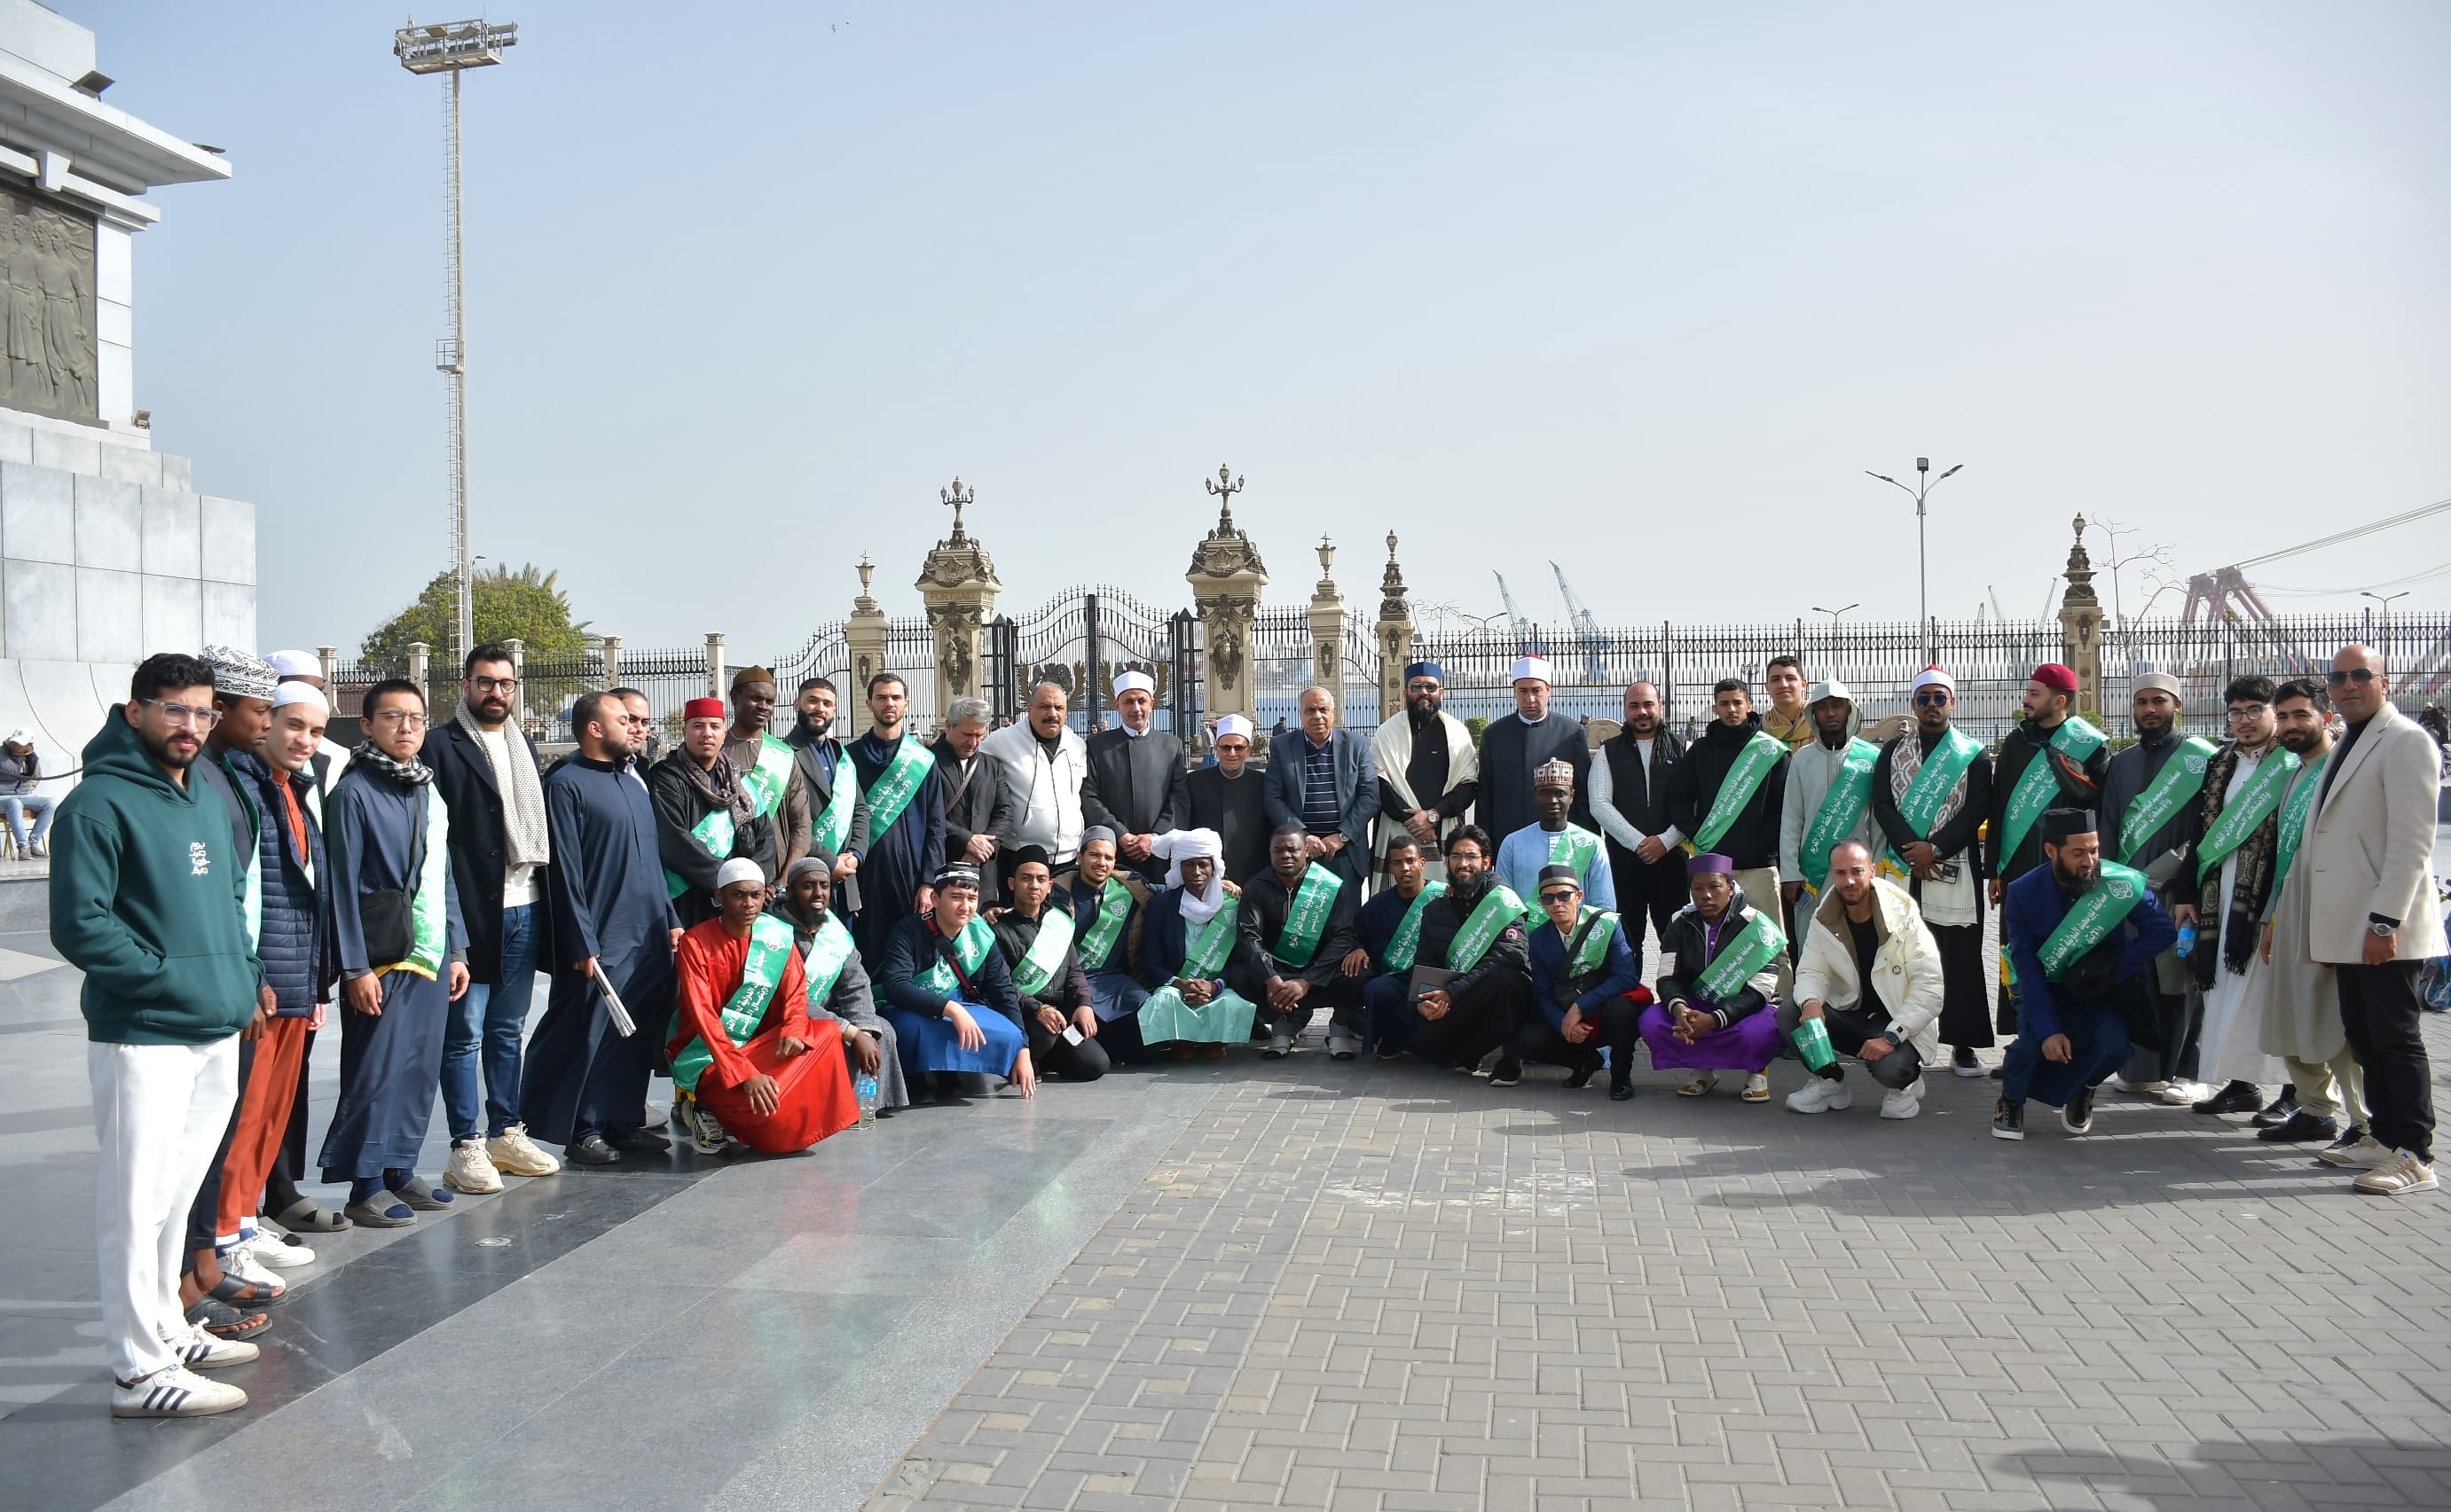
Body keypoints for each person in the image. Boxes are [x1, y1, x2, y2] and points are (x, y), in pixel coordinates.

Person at [52, 653, 269, 1416]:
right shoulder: (98, 803)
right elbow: (81, 924)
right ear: (135, 711)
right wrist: (167, 977)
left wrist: (240, 975)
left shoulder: (203, 793)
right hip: (143, 1032)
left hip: (214, 1027)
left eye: (203, 711)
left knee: (176, 1197)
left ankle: (168, 1328)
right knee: (135, 1202)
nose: (191, 725)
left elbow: (233, 896)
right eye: (174, 709)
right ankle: (138, 1369)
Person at [2296, 645, 2447, 1195]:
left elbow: (2412, 841)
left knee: (2396, 1038)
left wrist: (2385, 923)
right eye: (2337, 677)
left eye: (2361, 674)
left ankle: (2415, 1153)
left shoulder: (2406, 740)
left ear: (2384, 681)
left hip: (2383, 928)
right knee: (2363, 1035)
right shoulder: (2349, 741)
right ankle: (2383, 1137)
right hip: (2348, 927)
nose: (2348, 685)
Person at [320, 678, 471, 1227]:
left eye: (415, 718)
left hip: (429, 952)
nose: (406, 727)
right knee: (375, 1071)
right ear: (367, 726)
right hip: (382, 954)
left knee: (417, 1068)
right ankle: (364, 1184)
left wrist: (457, 947)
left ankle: (399, 1168)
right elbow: (340, 885)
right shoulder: (354, 792)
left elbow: (442, 874)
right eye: (392, 717)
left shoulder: (427, 789)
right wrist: (355, 966)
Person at [420, 643, 561, 1198]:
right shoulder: (440, 745)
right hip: (473, 912)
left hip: (526, 904)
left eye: (505, 683)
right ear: (465, 686)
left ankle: (506, 1131)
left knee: (507, 1030)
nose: (495, 692)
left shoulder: (524, 743)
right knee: (464, 1034)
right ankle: (465, 1144)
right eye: (485, 682)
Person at [208, 682, 334, 1295]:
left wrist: (316, 983)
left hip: (293, 977)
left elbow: (312, 891)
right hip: (261, 979)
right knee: (246, 1111)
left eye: (315, 730)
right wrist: (251, 975)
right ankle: (223, 1236)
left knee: (272, 1114)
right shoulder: (242, 785)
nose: (304, 739)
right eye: (292, 724)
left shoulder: (296, 789)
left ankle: (246, 1220)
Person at [525, 691, 683, 1166]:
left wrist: (671, 920)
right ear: (594, 728)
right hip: (601, 936)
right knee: (591, 1033)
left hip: (648, 933)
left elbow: (651, 862)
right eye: (623, 720)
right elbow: (564, 872)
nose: (635, 728)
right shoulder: (565, 785)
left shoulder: (634, 784)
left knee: (636, 1033)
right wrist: (581, 939)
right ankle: (583, 1128)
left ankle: (623, 1120)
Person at [1993, 808, 2177, 1141]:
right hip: (2045, 987)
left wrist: (2110, 968)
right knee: (2032, 1048)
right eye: (2078, 853)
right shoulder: (2022, 892)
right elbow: (2028, 967)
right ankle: (2011, 1101)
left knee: (2115, 1045)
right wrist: (2049, 1031)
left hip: (2099, 991)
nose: (2089, 861)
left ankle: (2084, 1087)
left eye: (2094, 850)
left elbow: (2162, 931)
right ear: (2052, 851)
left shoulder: (2118, 882)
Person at [666, 857, 860, 1154]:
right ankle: (704, 1106)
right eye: (738, 895)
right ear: (719, 896)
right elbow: (703, 1017)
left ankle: (766, 1106)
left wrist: (794, 1029)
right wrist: (745, 1074)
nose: (748, 904)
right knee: (763, 1112)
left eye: (755, 895)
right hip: (707, 1055)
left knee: (826, 1032)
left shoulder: (776, 935)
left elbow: (796, 995)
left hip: (760, 1044)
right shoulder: (696, 943)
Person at [2245, 678, 2363, 1150]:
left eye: (2301, 715)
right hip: (2289, 907)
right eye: (2284, 717)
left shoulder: (2341, 770)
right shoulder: (2295, 773)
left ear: (2326, 718)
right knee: (2288, 1015)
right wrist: (2273, 918)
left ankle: (2364, 1121)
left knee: (2329, 1022)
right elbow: (2285, 853)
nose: (2291, 725)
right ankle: (2315, 1111)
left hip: (2327, 908)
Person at [2170, 677, 2291, 1121]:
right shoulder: (2220, 763)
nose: (2244, 720)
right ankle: (2242, 1086)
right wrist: (2186, 893)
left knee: (2272, 994)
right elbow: (2200, 833)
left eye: (2255, 710)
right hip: (2219, 893)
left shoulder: (2290, 763)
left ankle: (2297, 1092)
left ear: (2274, 712)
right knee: (2225, 993)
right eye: (2236, 712)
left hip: (2268, 894)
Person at [1868, 667, 1996, 1078]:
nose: (1932, 705)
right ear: (1913, 704)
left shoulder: (1973, 753)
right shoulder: (1893, 751)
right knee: (1904, 955)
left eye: (1939, 697)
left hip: (1954, 867)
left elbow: (1977, 807)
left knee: (1959, 956)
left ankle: (1963, 1044)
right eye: (1923, 698)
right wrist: (1914, 850)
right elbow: (1883, 804)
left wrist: (1935, 848)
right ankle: (1901, 1039)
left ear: (1952, 702)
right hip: (1905, 866)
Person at [2098, 671, 2216, 1107]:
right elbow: (2109, 824)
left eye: (2159, 701)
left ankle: (2190, 1072)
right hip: (2130, 891)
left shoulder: (2202, 759)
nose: (2149, 710)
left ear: (2176, 706)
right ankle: (2142, 1070)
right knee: (2138, 979)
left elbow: (2211, 827)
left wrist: (2175, 872)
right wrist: (2112, 880)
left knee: (2184, 983)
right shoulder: (2122, 763)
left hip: (2180, 890)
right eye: (2142, 702)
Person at [1986, 662, 2111, 1064]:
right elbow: (1999, 806)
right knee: (2017, 956)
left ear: (2059, 701)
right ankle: (2025, 1042)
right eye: (2028, 692)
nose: (2026, 700)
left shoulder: (2090, 745)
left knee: (2066, 956)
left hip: (2070, 873)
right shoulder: (2016, 742)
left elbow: (2103, 807)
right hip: (2019, 869)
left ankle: (2068, 1045)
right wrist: (1994, 871)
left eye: (2034, 694)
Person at [1777, 841, 1942, 1120]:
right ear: (1832, 874)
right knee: (1790, 1012)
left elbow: (1931, 988)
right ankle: (1830, 1081)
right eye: (1840, 873)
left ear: (1872, 871)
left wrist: (1892, 1036)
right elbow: (1812, 971)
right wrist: (1811, 1002)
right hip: (1850, 1014)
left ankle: (1907, 1086)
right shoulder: (1824, 916)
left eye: (1857, 871)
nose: (1849, 881)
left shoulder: (1903, 914)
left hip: (1897, 1022)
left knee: (1892, 1070)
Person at [872, 862, 1033, 1101]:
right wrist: (951, 1009)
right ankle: (919, 1075)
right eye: (956, 897)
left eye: (972, 898)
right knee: (912, 1029)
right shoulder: (908, 930)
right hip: (915, 1009)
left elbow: (1003, 991)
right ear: (935, 899)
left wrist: (1023, 1048)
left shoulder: (981, 934)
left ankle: (954, 1070)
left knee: (1010, 1034)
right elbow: (896, 986)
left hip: (965, 1008)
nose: (965, 906)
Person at [1669, 678, 1790, 983]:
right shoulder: (1701, 750)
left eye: (1737, 703)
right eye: (1724, 704)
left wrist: (1762, 845)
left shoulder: (1770, 751)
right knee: (1716, 944)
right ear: (1715, 708)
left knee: (1772, 941)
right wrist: (1697, 833)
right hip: (1713, 865)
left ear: (1750, 706)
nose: (1731, 709)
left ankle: (1784, 1003)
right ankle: (1716, 1003)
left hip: (1760, 864)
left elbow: (1784, 808)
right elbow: (1678, 798)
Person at [772, 852, 907, 1113]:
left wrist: (865, 1029)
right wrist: (850, 1031)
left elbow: (856, 984)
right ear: (791, 891)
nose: (818, 893)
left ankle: (865, 1107)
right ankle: (837, 1110)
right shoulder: (773, 932)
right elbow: (789, 998)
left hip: (830, 1013)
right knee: (832, 1036)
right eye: (808, 886)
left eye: (824, 886)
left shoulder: (833, 931)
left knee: (882, 1029)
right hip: (789, 1017)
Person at [1646, 853, 1784, 1101]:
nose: (1706, 895)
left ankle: (1757, 1071)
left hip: (1744, 1009)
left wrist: (1714, 1020)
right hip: (1696, 1005)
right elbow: (1667, 977)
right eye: (1697, 888)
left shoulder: (1758, 926)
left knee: (1758, 1031)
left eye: (1714, 887)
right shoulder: (1680, 921)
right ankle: (1702, 1069)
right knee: (1652, 1022)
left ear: (1730, 887)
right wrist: (1680, 1010)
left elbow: (1761, 991)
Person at [1401, 826, 1534, 1075]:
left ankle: (1511, 1058)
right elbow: (1424, 965)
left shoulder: (1502, 900)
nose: (1463, 864)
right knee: (1424, 1037)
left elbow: (1511, 955)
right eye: (1456, 856)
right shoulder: (1434, 910)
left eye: (1471, 856)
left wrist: (1452, 993)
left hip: (1495, 994)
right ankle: (1470, 1053)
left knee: (1508, 980)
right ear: (1447, 861)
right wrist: (1421, 1003)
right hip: (1461, 996)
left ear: (1486, 862)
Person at [1233, 820, 1366, 1058]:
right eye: (1278, 850)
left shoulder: (1329, 885)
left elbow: (1343, 936)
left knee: (1361, 972)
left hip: (1321, 974)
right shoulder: (1256, 886)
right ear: (1270, 853)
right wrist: (1270, 978)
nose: (1285, 855)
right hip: (1279, 974)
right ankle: (1281, 1027)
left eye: (1292, 849)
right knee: (1238, 974)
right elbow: (1248, 936)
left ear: (1306, 851)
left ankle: (1338, 1029)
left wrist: (1307, 981)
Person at [1515, 865, 1648, 1099]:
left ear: (1579, 896)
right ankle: (1584, 1062)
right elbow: (1542, 993)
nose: (1557, 904)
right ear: (1541, 902)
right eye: (1548, 898)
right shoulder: (1537, 939)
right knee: (1527, 1040)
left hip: (1605, 1009)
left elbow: (1626, 977)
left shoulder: (1607, 924)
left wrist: (1580, 1007)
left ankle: (1620, 1077)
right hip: (1570, 1014)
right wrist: (1564, 1023)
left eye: (1564, 896)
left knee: (1622, 1011)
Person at [653, 696, 776, 928]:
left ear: (724, 733)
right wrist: (730, 882)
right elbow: (674, 842)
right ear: (684, 732)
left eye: (714, 726)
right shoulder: (667, 778)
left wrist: (751, 881)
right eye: (698, 726)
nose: (707, 733)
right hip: (693, 901)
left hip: (743, 901)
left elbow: (766, 836)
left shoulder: (737, 779)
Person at [991, 844, 1112, 1081]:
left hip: (1057, 1013)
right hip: (1020, 1012)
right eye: (1026, 878)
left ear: (1050, 886)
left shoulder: (1059, 921)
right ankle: (1020, 1059)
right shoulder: (998, 928)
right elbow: (1001, 985)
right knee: (1045, 1035)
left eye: (1041, 879)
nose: (1034, 885)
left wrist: (1084, 1003)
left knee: (1095, 1064)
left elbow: (1074, 971)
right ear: (1012, 883)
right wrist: (1038, 1009)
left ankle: (1040, 1059)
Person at [1138, 828, 1261, 1058]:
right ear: (1179, 867)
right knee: (1164, 1000)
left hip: (1218, 986)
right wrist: (1180, 984)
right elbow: (1151, 961)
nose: (1196, 872)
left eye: (1203, 864)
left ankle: (1214, 1040)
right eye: (1189, 865)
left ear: (1214, 868)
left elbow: (1241, 959)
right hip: (1176, 986)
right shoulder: (1162, 904)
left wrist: (1215, 986)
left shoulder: (1231, 904)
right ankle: (1181, 1040)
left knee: (1231, 1002)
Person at [1590, 681, 1687, 953]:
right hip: (1624, 864)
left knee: (1677, 942)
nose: (1642, 711)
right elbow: (1599, 804)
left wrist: (1665, 842)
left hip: (1672, 862)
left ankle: (1674, 984)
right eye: (1634, 706)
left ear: (1661, 706)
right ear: (1625, 709)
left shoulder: (1683, 748)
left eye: (1648, 704)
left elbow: (1695, 803)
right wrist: (1640, 844)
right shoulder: (1608, 751)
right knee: (1627, 943)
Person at [1777, 678, 1879, 920]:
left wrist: (1879, 869)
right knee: (1813, 934)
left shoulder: (1871, 757)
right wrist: (1790, 873)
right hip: (1812, 874)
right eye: (1822, 707)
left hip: (1860, 872)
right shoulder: (1801, 759)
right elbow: (1792, 819)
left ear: (1849, 710)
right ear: (1813, 714)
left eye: (1837, 705)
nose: (1830, 713)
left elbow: (1878, 823)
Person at [1370, 662, 1478, 881]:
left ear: (1441, 692)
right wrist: (1415, 823)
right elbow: (1379, 784)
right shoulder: (1387, 732)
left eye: (1430, 687)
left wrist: (1433, 816)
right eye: (1416, 687)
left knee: (1446, 898)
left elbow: (1468, 784)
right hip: (1397, 829)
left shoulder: (1458, 733)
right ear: (1405, 693)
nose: (1423, 692)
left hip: (1443, 830)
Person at [1265, 686, 1379, 892]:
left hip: (1346, 853)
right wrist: (1302, 836)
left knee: (1347, 913)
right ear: (1301, 714)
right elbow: (1273, 798)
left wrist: (1342, 836)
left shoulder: (1356, 745)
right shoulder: (1282, 746)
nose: (1317, 716)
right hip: (1299, 855)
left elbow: (1370, 796)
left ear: (1333, 712)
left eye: (1323, 709)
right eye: (1310, 710)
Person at [1081, 670, 1187, 883]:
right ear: (1117, 705)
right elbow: (1089, 796)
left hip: (1159, 853)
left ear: (1152, 704)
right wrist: (1121, 834)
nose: (1136, 708)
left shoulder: (1171, 745)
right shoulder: (1097, 745)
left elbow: (1179, 798)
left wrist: (1154, 838)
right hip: (1112, 850)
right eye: (1129, 702)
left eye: (1141, 701)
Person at [1054, 827, 1153, 1046]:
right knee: (1081, 1041)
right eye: (1095, 855)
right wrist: (993, 909)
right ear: (1080, 857)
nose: (1101, 862)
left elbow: (1173, 894)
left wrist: (1217, 884)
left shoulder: (1130, 890)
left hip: (1113, 979)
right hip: (1072, 982)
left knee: (1148, 1018)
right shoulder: (1056, 892)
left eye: (1108, 858)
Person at [1475, 655, 1591, 842]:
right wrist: (1483, 846)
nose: (1530, 698)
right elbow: (1484, 798)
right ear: (1514, 691)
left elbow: (1583, 797)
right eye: (1523, 691)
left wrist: (1585, 846)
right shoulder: (1493, 735)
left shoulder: (1571, 733)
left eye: (1536, 690)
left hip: (1560, 841)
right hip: (1507, 839)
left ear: (1548, 690)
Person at [782, 676, 870, 922]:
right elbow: (786, 822)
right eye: (813, 701)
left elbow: (860, 810)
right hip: (804, 881)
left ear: (834, 710)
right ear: (797, 704)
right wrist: (830, 862)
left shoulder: (842, 756)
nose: (820, 708)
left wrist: (855, 855)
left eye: (827, 703)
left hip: (845, 881)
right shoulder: (782, 753)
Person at [980, 681, 1086, 885]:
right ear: (1030, 709)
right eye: (1045, 706)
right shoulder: (1001, 741)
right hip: (1021, 855)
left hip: (1069, 857)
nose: (1052, 713)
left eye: (1059, 708)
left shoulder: (1077, 745)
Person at [1496, 756, 1615, 908]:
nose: (1552, 800)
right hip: (1525, 924)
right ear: (1535, 795)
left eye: (1560, 793)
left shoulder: (1592, 844)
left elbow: (1604, 905)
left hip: (1580, 924)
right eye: (1545, 793)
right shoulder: (1512, 844)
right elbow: (1503, 903)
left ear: (1571, 796)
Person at [722, 665, 807, 871]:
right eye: (756, 699)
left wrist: (784, 880)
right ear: (735, 697)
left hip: (776, 876)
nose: (763, 706)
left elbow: (801, 823)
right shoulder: (717, 751)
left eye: (769, 702)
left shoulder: (783, 756)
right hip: (726, 873)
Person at [1183, 712, 1271, 884]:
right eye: (1226, 747)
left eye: (1238, 748)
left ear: (1248, 749)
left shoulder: (1263, 783)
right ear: (1216, 748)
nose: (1232, 753)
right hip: (1206, 879)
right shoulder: (1194, 782)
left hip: (1254, 877)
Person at [932, 697, 1000, 902]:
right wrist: (967, 840)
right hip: (943, 868)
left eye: (979, 735)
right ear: (948, 727)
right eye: (967, 734)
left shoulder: (992, 765)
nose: (973, 742)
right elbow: (927, 815)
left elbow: (1004, 812)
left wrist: (982, 850)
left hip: (984, 874)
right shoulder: (927, 762)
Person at [264, 649, 353, 795]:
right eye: (294, 725)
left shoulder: (337, 757)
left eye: (317, 691)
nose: (308, 697)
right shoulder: (236, 768)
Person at [0, 725, 52, 855]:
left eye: (20, 744)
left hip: (23, 795)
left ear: (28, 744)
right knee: (14, 803)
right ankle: (23, 846)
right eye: (14, 743)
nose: (16, 746)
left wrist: (29, 789)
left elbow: (36, 777)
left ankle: (33, 842)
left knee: (50, 803)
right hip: (3, 797)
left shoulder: (32, 759)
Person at [1760, 654, 1814, 753]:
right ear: (1767, 688)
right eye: (1776, 679)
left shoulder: (1819, 722)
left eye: (1790, 678)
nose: (1783, 685)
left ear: (1804, 685)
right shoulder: (1761, 729)